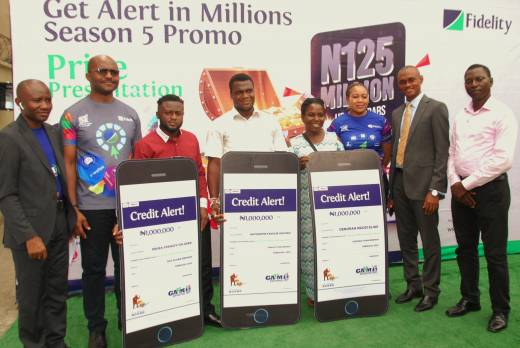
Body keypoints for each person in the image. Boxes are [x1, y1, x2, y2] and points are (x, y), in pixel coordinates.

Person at [60, 55, 141, 347]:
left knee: (128, 267)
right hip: (91, 210)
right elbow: (69, 164)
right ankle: (97, 328)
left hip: (127, 209)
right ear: (88, 75)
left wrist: (136, 205)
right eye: (102, 71)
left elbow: (135, 163)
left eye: (114, 72)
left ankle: (129, 317)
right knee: (93, 270)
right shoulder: (72, 114)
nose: (109, 76)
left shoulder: (130, 114)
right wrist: (74, 209)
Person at [132, 94, 221, 327]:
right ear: (158, 114)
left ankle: (206, 310)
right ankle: (171, 311)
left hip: (194, 213)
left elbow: (200, 174)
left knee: (202, 263)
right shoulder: (144, 145)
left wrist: (203, 205)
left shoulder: (191, 140)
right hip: (163, 218)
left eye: (177, 113)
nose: (173, 117)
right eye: (168, 113)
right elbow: (138, 185)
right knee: (167, 265)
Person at [0, 80, 76, 348]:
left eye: (47, 99)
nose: (44, 106)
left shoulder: (53, 133)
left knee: (57, 292)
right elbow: (6, 194)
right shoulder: (9, 138)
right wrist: (28, 236)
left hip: (58, 223)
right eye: (37, 101)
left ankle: (56, 342)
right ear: (20, 102)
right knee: (32, 297)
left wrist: (72, 214)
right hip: (31, 231)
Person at [445, 64, 518, 332]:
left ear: (490, 81)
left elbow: (502, 159)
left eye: (479, 79)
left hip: (491, 192)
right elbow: (452, 152)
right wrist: (455, 183)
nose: (473, 84)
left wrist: (466, 184)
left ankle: (500, 310)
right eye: (469, 80)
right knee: (465, 249)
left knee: (495, 254)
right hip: (460, 191)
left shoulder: (502, 113)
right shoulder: (461, 114)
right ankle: (470, 298)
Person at [388, 66, 449, 312]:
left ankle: (431, 291)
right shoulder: (397, 113)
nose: (407, 84)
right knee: (406, 239)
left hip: (424, 187)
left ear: (420, 80)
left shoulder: (436, 108)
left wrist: (435, 190)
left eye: (411, 79)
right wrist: (392, 191)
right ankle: (413, 285)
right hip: (400, 182)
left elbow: (442, 152)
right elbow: (395, 150)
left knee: (430, 241)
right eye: (402, 82)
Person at [205, 73, 287, 217]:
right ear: (231, 95)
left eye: (249, 91)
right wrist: (214, 200)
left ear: (254, 91)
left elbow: (281, 158)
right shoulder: (219, 125)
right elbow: (214, 164)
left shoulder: (271, 121)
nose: (245, 96)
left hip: (269, 195)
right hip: (234, 196)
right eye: (239, 92)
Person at [289, 97, 343, 305]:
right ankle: (312, 293)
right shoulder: (294, 144)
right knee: (309, 249)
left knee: (332, 245)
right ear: (302, 117)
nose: (316, 118)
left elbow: (345, 168)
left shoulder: (334, 139)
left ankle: (333, 285)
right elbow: (286, 177)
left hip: (331, 204)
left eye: (320, 114)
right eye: (311, 114)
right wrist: (297, 166)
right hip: (306, 208)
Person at [327, 82, 392, 196]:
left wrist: (378, 166)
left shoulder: (381, 121)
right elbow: (330, 151)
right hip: (347, 180)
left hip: (376, 178)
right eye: (355, 97)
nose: (360, 100)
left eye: (364, 96)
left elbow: (387, 153)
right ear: (348, 99)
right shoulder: (338, 123)